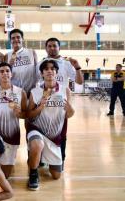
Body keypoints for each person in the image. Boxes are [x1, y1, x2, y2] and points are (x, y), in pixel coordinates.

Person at [27, 60, 74, 190]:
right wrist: (40, 107)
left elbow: (68, 115)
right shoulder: (35, 91)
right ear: (42, 73)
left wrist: (70, 109)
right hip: (37, 130)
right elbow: (29, 115)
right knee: (37, 144)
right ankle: (33, 174)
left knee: (56, 175)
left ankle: (42, 156)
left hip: (54, 136)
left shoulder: (65, 90)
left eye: (52, 69)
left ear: (56, 72)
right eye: (46, 69)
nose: (49, 71)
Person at [37, 37, 83, 167]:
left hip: (60, 105)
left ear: (59, 48)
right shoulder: (41, 64)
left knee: (61, 133)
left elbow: (79, 81)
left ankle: (60, 159)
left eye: (54, 46)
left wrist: (78, 67)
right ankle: (42, 159)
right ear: (46, 48)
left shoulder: (67, 63)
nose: (52, 48)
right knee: (42, 132)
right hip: (45, 105)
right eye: (49, 46)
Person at [0, 62, 27, 178]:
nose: (4, 73)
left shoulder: (21, 92)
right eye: (1, 71)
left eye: (7, 71)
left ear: (11, 74)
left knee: (6, 175)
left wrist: (20, 113)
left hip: (12, 134)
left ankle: (0, 166)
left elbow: (26, 114)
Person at [4, 29, 37, 95]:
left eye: (18, 37)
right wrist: (9, 65)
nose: (16, 40)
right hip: (14, 93)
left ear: (22, 39)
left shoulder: (31, 52)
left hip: (30, 92)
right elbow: (5, 74)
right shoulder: (7, 56)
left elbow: (38, 71)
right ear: (10, 41)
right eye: (13, 38)